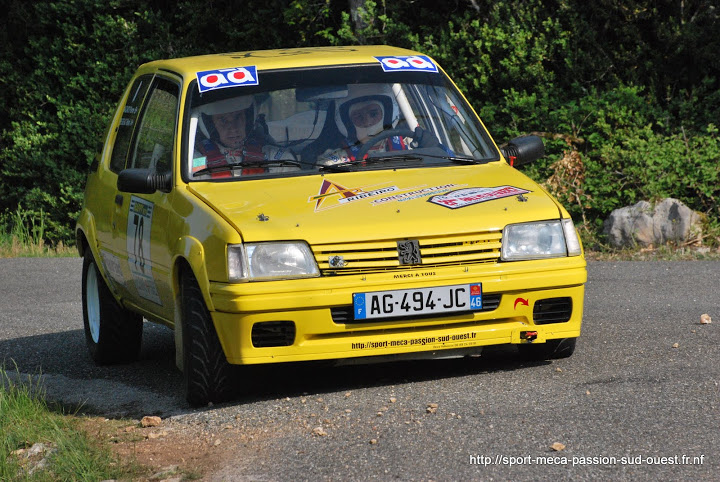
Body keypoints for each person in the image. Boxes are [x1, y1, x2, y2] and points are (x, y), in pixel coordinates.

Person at [192, 96, 296, 178]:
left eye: (238, 117)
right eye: (223, 120)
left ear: (249, 119)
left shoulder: (279, 160)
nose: (233, 128)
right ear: (210, 124)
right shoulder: (196, 162)